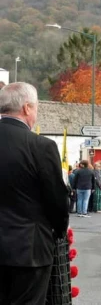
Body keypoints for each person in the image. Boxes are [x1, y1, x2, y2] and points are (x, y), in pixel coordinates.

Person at [0, 82, 69, 303]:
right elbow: (57, 201)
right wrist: (58, 231)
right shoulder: (41, 147)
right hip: (29, 250)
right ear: (27, 108)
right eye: (36, 108)